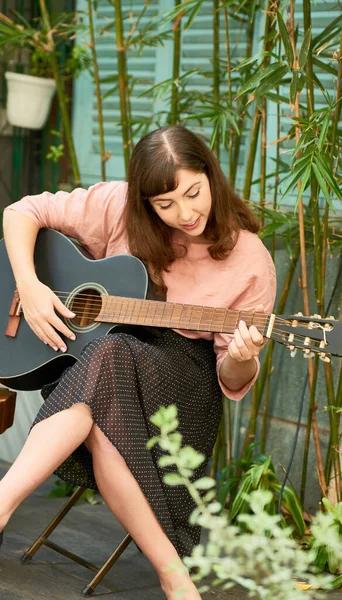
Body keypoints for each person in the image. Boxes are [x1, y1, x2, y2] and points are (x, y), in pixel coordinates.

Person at [0, 125, 276, 599]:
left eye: (193, 193)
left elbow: (232, 379)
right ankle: (175, 578)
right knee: (109, 366)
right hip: (107, 363)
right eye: (165, 204)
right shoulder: (117, 206)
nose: (185, 213)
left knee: (109, 357)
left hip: (186, 389)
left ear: (212, 176)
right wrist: (29, 284)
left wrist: (241, 355)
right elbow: (21, 211)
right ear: (145, 201)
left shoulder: (250, 260)